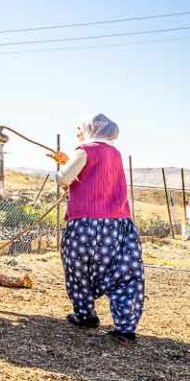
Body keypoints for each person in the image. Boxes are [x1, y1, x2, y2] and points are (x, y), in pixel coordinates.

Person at [50, 114, 144, 342]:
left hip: (85, 225)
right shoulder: (115, 154)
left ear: (90, 130)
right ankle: (125, 327)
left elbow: (65, 180)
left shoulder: (84, 150)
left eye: (80, 128)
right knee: (124, 273)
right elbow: (95, 175)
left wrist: (59, 171)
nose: (78, 132)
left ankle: (85, 315)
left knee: (78, 269)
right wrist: (69, 160)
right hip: (117, 224)